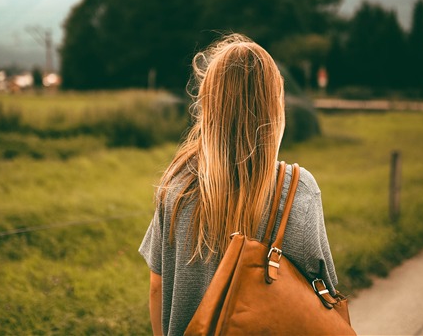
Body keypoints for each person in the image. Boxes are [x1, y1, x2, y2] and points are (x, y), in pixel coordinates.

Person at [139, 33, 339, 335]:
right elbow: (326, 290)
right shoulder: (298, 189)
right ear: (274, 107)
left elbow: (158, 286)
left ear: (209, 104)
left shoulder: (177, 186)